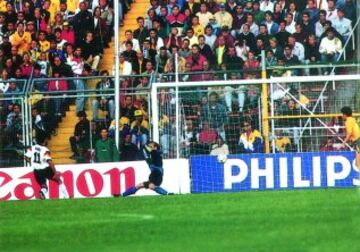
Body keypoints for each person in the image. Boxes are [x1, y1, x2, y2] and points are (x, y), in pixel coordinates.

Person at [24, 133, 69, 199]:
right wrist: (55, 172)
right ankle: (67, 197)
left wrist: (32, 163)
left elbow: (26, 157)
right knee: (58, 180)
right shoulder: (45, 150)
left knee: (44, 186)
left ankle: (42, 192)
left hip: (36, 171)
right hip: (45, 169)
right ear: (44, 140)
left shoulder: (33, 147)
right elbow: (50, 162)